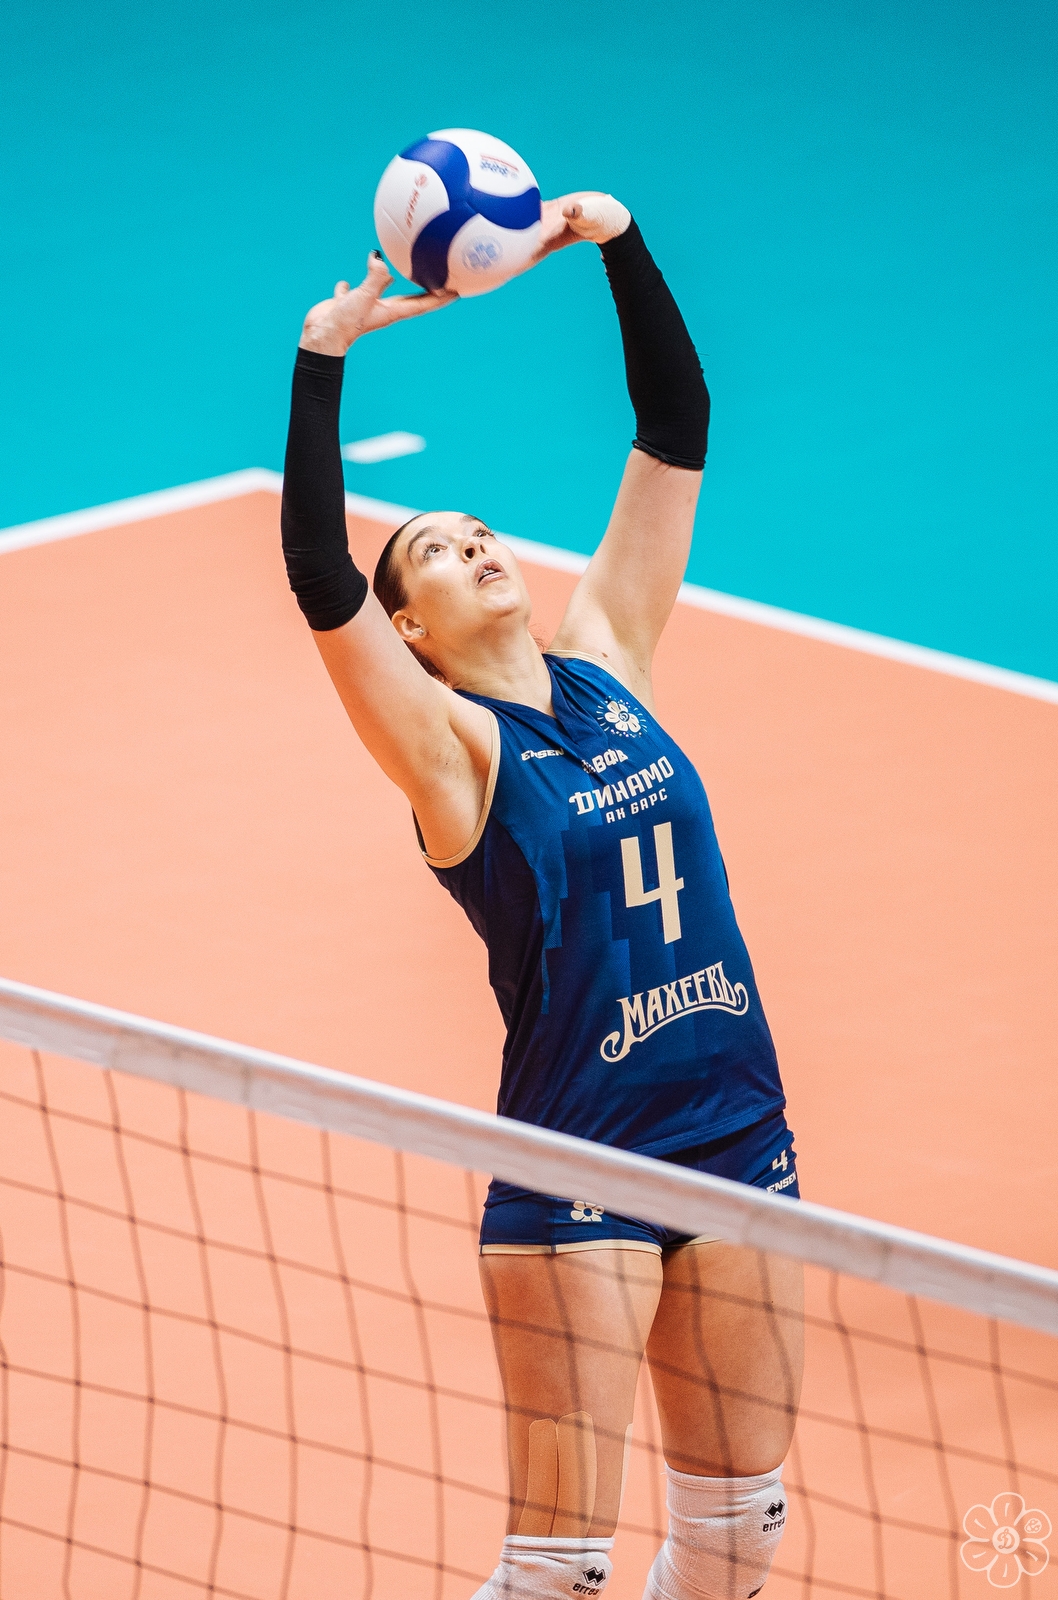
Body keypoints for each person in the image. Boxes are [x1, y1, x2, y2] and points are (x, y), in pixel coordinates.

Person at [281, 192, 803, 1600]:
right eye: (436, 552)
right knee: (558, 1573)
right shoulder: (451, 754)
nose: (474, 545)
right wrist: (325, 357)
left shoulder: (610, 664)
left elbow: (675, 425)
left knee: (739, 1536)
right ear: (410, 627)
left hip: (735, 1129)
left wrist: (619, 243)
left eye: (476, 529)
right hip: (582, 1158)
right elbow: (320, 576)